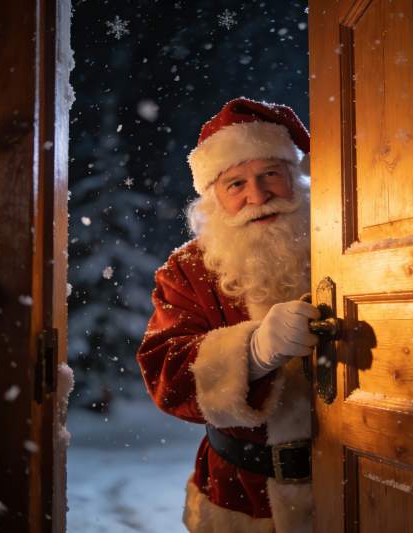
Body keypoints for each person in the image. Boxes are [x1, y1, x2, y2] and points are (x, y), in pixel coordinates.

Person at [136, 97, 318, 533]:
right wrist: (254, 351)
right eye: (236, 184)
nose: (258, 195)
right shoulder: (186, 269)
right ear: (214, 197)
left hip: (355, 482)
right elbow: (166, 374)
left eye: (271, 174)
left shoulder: (347, 241)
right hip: (240, 492)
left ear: (295, 178)